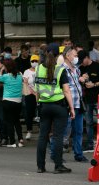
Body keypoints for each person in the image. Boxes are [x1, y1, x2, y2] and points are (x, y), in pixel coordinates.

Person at [34, 44, 75, 173]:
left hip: (44, 106)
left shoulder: (38, 68)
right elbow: (67, 91)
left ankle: (40, 166)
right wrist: (72, 108)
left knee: (42, 136)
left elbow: (37, 90)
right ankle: (58, 166)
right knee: (57, 137)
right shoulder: (60, 70)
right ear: (58, 55)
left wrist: (39, 103)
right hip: (59, 106)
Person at [78, 49, 99, 151]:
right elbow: (79, 82)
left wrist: (94, 84)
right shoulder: (81, 68)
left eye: (83, 60)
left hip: (98, 98)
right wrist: (82, 79)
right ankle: (90, 144)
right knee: (89, 123)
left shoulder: (97, 66)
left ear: (87, 58)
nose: (82, 63)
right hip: (87, 99)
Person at [61, 46, 86, 162]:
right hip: (67, 105)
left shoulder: (76, 69)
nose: (77, 58)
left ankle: (78, 154)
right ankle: (56, 154)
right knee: (64, 131)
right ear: (67, 56)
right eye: (75, 55)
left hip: (78, 104)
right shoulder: (61, 70)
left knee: (79, 131)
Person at [0, 58, 24, 147]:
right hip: (18, 101)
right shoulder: (20, 75)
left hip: (8, 101)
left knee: (9, 122)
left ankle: (12, 141)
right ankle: (20, 139)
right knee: (17, 121)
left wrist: (1, 70)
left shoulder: (6, 76)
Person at [22, 54, 40, 140]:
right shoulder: (27, 71)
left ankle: (41, 130)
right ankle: (29, 131)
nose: (34, 63)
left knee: (40, 113)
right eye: (33, 61)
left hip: (40, 95)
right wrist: (32, 91)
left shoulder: (41, 70)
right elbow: (25, 83)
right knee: (29, 113)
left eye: (36, 61)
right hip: (30, 95)